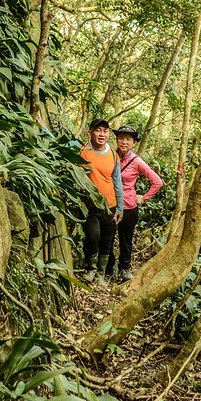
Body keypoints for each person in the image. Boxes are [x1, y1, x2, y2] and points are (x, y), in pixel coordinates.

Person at [106, 125, 163, 281]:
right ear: (116, 140)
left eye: (128, 139)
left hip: (128, 207)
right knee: (107, 238)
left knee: (126, 240)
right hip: (109, 204)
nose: (124, 142)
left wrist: (144, 198)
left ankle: (124, 268)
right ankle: (108, 269)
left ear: (134, 143)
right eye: (121, 138)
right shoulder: (109, 155)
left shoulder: (137, 161)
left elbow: (157, 182)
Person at [79, 118, 123, 284]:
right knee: (93, 235)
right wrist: (43, 128)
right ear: (90, 132)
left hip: (109, 206)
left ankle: (101, 274)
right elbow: (59, 149)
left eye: (105, 131)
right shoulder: (82, 150)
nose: (102, 134)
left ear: (108, 134)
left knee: (107, 240)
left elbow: (117, 182)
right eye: (98, 130)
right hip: (89, 205)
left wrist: (120, 207)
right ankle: (90, 268)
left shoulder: (113, 154)